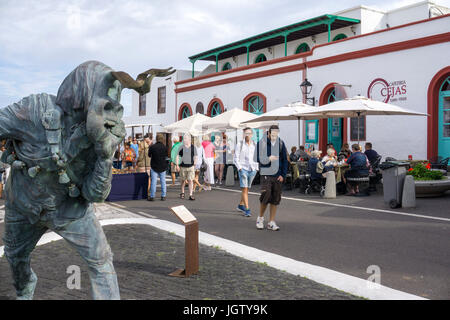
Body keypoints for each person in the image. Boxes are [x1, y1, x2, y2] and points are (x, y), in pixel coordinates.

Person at [254, 125, 288, 231]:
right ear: (268, 133)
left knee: (275, 198)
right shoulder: (261, 143)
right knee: (266, 194)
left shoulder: (281, 143)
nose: (274, 137)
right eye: (272, 135)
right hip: (266, 173)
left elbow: (285, 160)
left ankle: (271, 222)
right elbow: (256, 158)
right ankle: (260, 218)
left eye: (276, 134)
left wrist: (283, 174)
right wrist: (268, 158)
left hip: (278, 175)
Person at [234, 127, 259, 217]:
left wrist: (256, 168)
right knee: (244, 189)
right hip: (243, 169)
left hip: (252, 170)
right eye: (246, 133)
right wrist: (240, 168)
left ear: (252, 135)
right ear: (243, 134)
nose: (247, 135)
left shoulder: (255, 145)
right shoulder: (240, 144)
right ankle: (247, 209)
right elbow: (236, 158)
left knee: (247, 189)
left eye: (249, 133)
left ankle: (241, 205)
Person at [147, 133, 168, 201]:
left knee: (153, 181)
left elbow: (149, 155)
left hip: (154, 166)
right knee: (163, 181)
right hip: (162, 166)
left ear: (156, 139)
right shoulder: (165, 147)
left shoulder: (152, 147)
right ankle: (163, 195)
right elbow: (166, 155)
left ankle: (152, 196)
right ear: (162, 139)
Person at [176, 133, 197, 200]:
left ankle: (191, 194)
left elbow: (195, 156)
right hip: (182, 166)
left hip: (191, 166)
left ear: (189, 139)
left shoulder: (193, 147)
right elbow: (177, 156)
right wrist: (177, 165)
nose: (184, 140)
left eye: (185, 139)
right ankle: (182, 192)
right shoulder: (181, 147)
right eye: (184, 139)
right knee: (183, 180)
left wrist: (195, 162)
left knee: (190, 180)